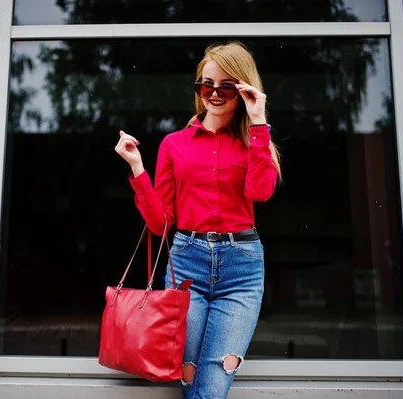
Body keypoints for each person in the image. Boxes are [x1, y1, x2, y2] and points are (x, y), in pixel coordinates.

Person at [114, 41, 281, 399]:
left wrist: (258, 120)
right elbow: (161, 224)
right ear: (198, 88)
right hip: (186, 265)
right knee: (190, 378)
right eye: (208, 85)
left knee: (215, 379)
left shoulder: (253, 141)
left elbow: (261, 192)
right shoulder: (174, 144)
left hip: (242, 269)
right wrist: (137, 168)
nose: (215, 94)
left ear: (242, 88)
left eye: (226, 86)